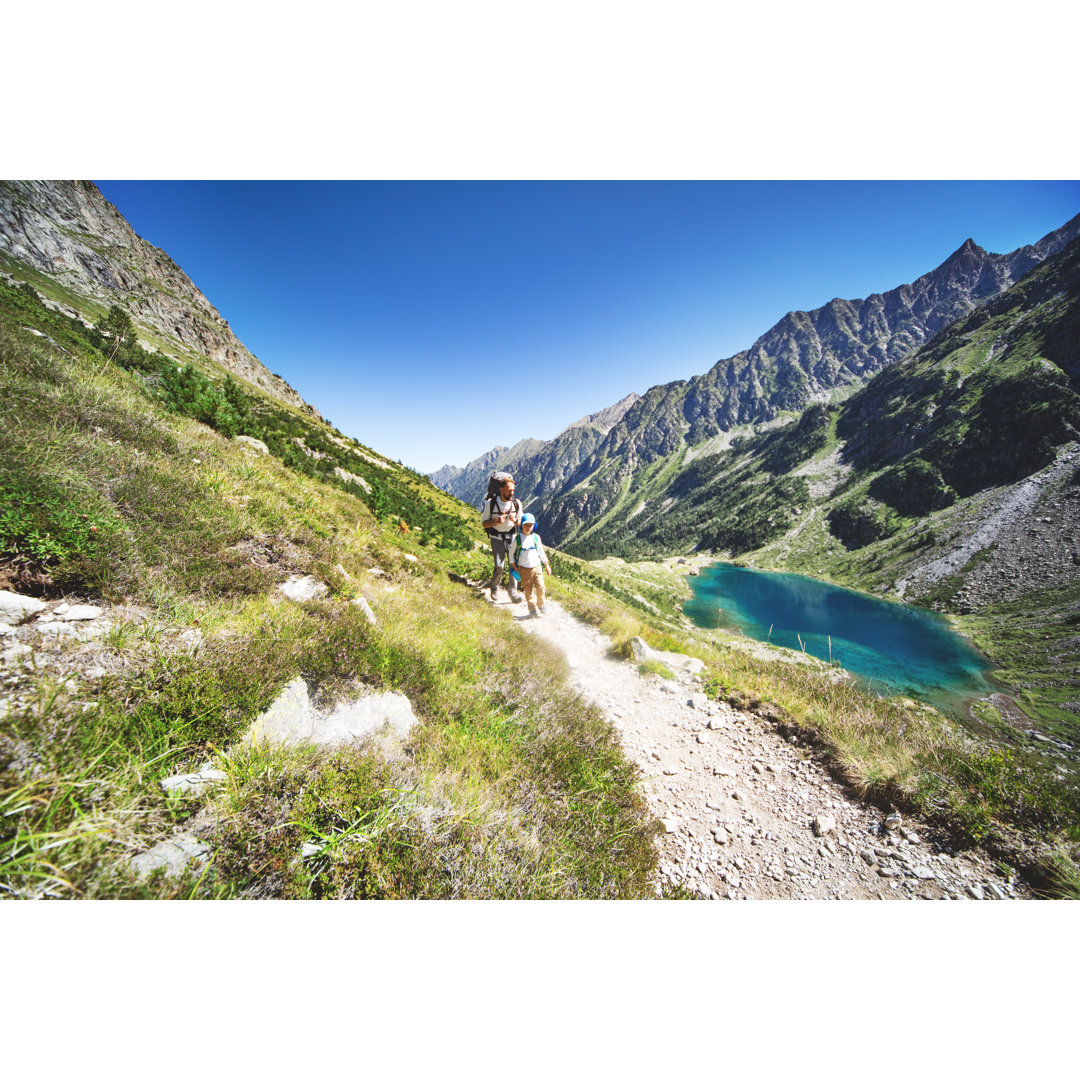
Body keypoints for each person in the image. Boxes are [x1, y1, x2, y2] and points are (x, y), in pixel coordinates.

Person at [481, 475, 523, 603]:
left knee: (513, 565)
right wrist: (496, 522)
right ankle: (494, 586)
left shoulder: (516, 503)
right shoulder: (491, 503)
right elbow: (484, 524)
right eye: (509, 490)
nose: (512, 493)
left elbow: (520, 523)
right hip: (496, 537)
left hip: (512, 537)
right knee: (499, 566)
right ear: (501, 490)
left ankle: (513, 593)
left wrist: (515, 520)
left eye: (513, 490)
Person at [509, 512, 552, 617]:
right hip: (524, 569)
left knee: (541, 587)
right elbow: (511, 554)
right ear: (522, 525)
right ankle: (532, 610)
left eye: (530, 525)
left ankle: (541, 605)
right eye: (526, 525)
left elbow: (541, 552)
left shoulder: (536, 537)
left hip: (537, 567)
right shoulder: (517, 539)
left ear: (533, 526)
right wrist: (515, 567)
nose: (528, 527)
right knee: (528, 591)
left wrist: (547, 565)